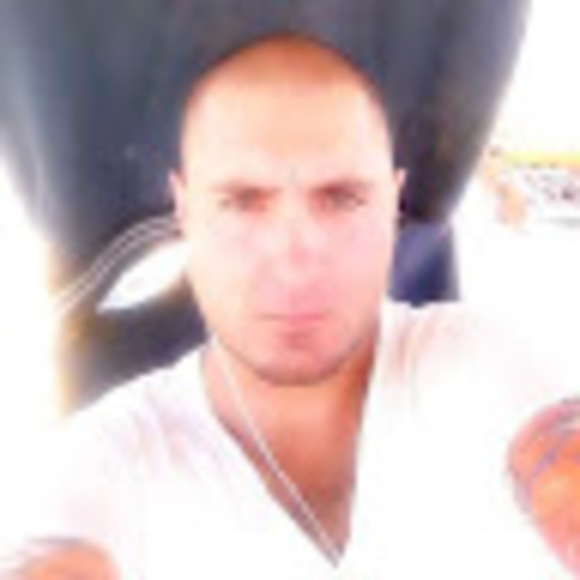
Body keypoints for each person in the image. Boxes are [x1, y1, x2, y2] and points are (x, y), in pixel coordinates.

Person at [1, 33, 575, 579]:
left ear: (392, 204)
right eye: (243, 201)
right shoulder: (112, 457)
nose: (296, 261)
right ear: (185, 210)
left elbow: (559, 459)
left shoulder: (472, 361)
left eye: (342, 198)